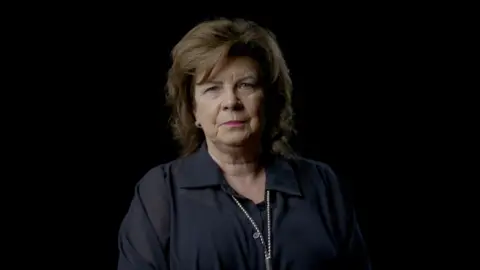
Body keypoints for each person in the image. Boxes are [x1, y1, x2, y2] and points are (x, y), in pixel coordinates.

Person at [117, 17, 371, 270]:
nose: (231, 101)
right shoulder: (160, 192)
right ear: (193, 110)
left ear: (269, 99)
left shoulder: (322, 184)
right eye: (212, 89)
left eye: (245, 85)